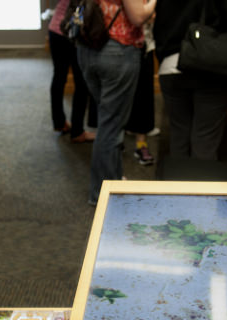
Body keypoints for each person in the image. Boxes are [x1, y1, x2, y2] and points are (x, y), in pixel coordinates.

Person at [77, 0, 156, 204]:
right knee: (111, 126)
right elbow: (138, 16)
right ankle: (101, 194)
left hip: (87, 47)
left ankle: (113, 181)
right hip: (116, 50)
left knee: (110, 121)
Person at [153, 0, 227, 160]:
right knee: (205, 139)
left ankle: (178, 181)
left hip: (171, 66)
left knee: (178, 134)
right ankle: (202, 180)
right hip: (211, 67)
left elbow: (159, 26)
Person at [48, 0, 97, 143]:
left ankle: (59, 123)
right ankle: (77, 131)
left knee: (59, 77)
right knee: (81, 82)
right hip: (74, 32)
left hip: (56, 29)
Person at [125, 21, 157, 166]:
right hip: (118, 47)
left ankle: (140, 143)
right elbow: (138, 17)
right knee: (120, 100)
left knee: (143, 97)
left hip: (143, 46)